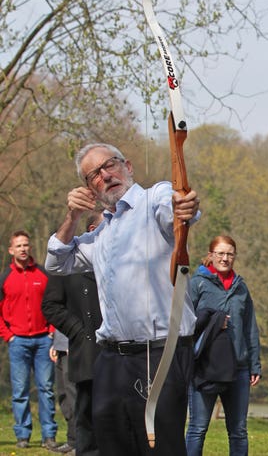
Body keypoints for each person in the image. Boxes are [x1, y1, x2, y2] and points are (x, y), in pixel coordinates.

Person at [44, 143, 200, 456]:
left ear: (127, 166)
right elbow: (56, 261)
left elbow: (176, 208)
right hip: (112, 360)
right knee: (112, 445)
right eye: (94, 175)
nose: (106, 175)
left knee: (161, 447)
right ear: (90, 189)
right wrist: (72, 216)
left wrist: (184, 207)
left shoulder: (152, 198)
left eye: (110, 165)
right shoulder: (102, 232)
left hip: (158, 353)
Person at [185, 235, 262, 456]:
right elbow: (185, 323)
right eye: (220, 253)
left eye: (229, 254)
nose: (225, 258)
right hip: (205, 367)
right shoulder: (198, 283)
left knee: (238, 431)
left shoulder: (241, 288)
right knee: (198, 428)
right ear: (211, 255)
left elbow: (250, 328)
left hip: (238, 367)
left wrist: (254, 364)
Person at [42, 211, 104, 456]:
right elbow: (50, 305)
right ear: (91, 230)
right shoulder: (68, 264)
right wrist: (77, 331)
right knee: (87, 424)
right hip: (87, 352)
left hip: (120, 355)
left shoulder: (120, 262)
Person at [0, 230, 58, 450]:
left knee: (46, 389)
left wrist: (52, 330)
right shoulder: (5, 277)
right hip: (18, 342)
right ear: (11, 250)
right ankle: (22, 435)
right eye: (19, 246)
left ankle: (49, 435)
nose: (23, 249)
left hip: (44, 340)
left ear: (30, 247)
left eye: (26, 245)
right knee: (20, 392)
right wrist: (9, 336)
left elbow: (54, 303)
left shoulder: (43, 274)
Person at [49, 330, 76, 454]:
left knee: (73, 396)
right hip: (61, 347)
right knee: (63, 395)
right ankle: (71, 440)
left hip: (72, 346)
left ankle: (78, 441)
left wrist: (75, 344)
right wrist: (56, 344)